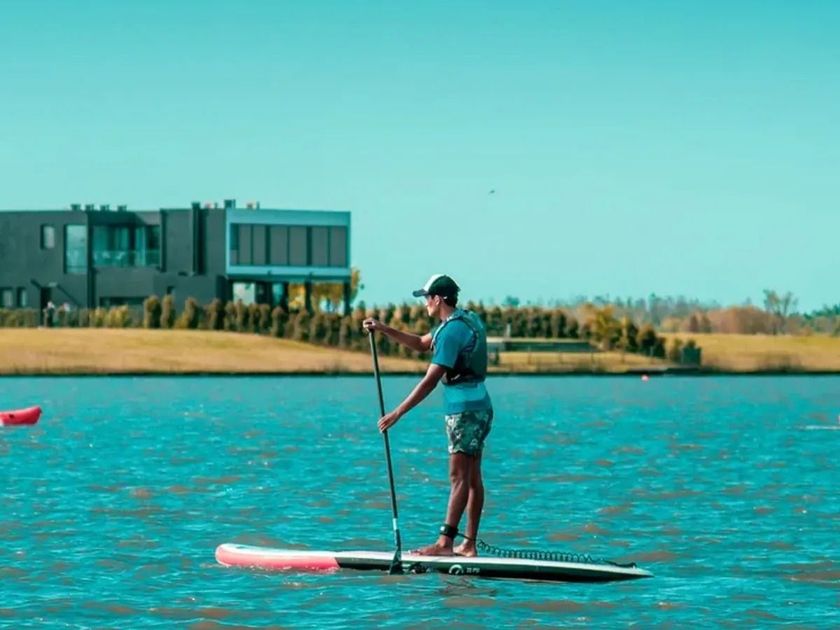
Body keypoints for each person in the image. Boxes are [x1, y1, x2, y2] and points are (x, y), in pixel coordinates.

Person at [363, 274, 493, 557]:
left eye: (426, 297)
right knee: (472, 477)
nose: (424, 303)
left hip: (464, 411)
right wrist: (383, 329)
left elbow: (429, 381)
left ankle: (445, 544)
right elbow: (422, 343)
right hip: (480, 405)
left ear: (438, 298)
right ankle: (468, 544)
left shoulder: (450, 332)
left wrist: (397, 413)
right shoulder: (465, 320)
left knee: (458, 476)